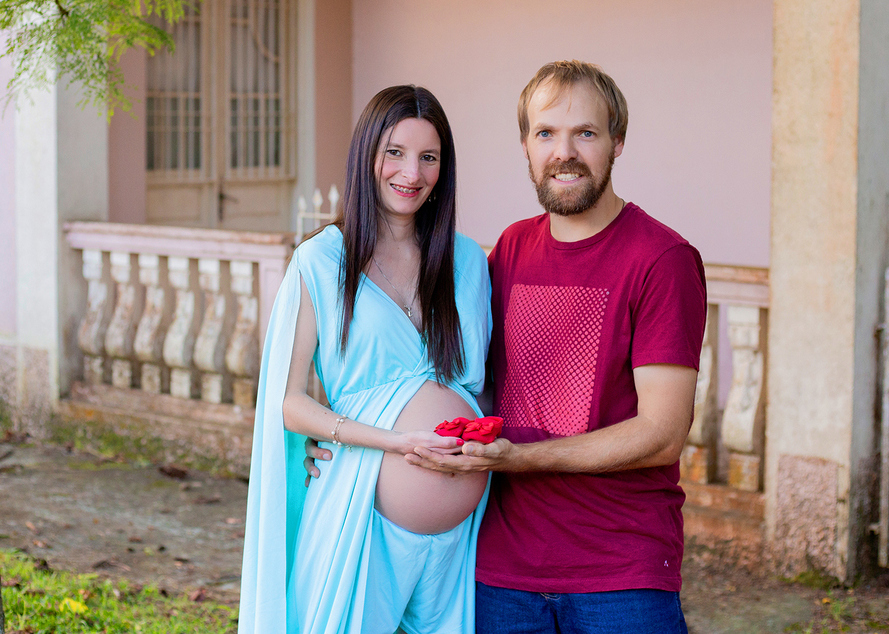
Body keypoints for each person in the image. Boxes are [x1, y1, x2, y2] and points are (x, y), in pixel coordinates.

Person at [404, 60, 707, 634]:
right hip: (503, 569)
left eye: (585, 133)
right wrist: (351, 445)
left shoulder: (662, 261)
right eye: (546, 133)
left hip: (621, 573)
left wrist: (519, 459)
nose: (563, 152)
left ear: (618, 142)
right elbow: (464, 382)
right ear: (525, 145)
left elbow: (662, 433)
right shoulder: (511, 249)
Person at [239, 85, 493, 634]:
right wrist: (396, 442)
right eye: (395, 152)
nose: (412, 172)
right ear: (367, 154)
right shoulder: (321, 262)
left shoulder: (469, 261)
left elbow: (483, 388)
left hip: (458, 539)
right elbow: (288, 404)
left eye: (429, 157)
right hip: (358, 510)